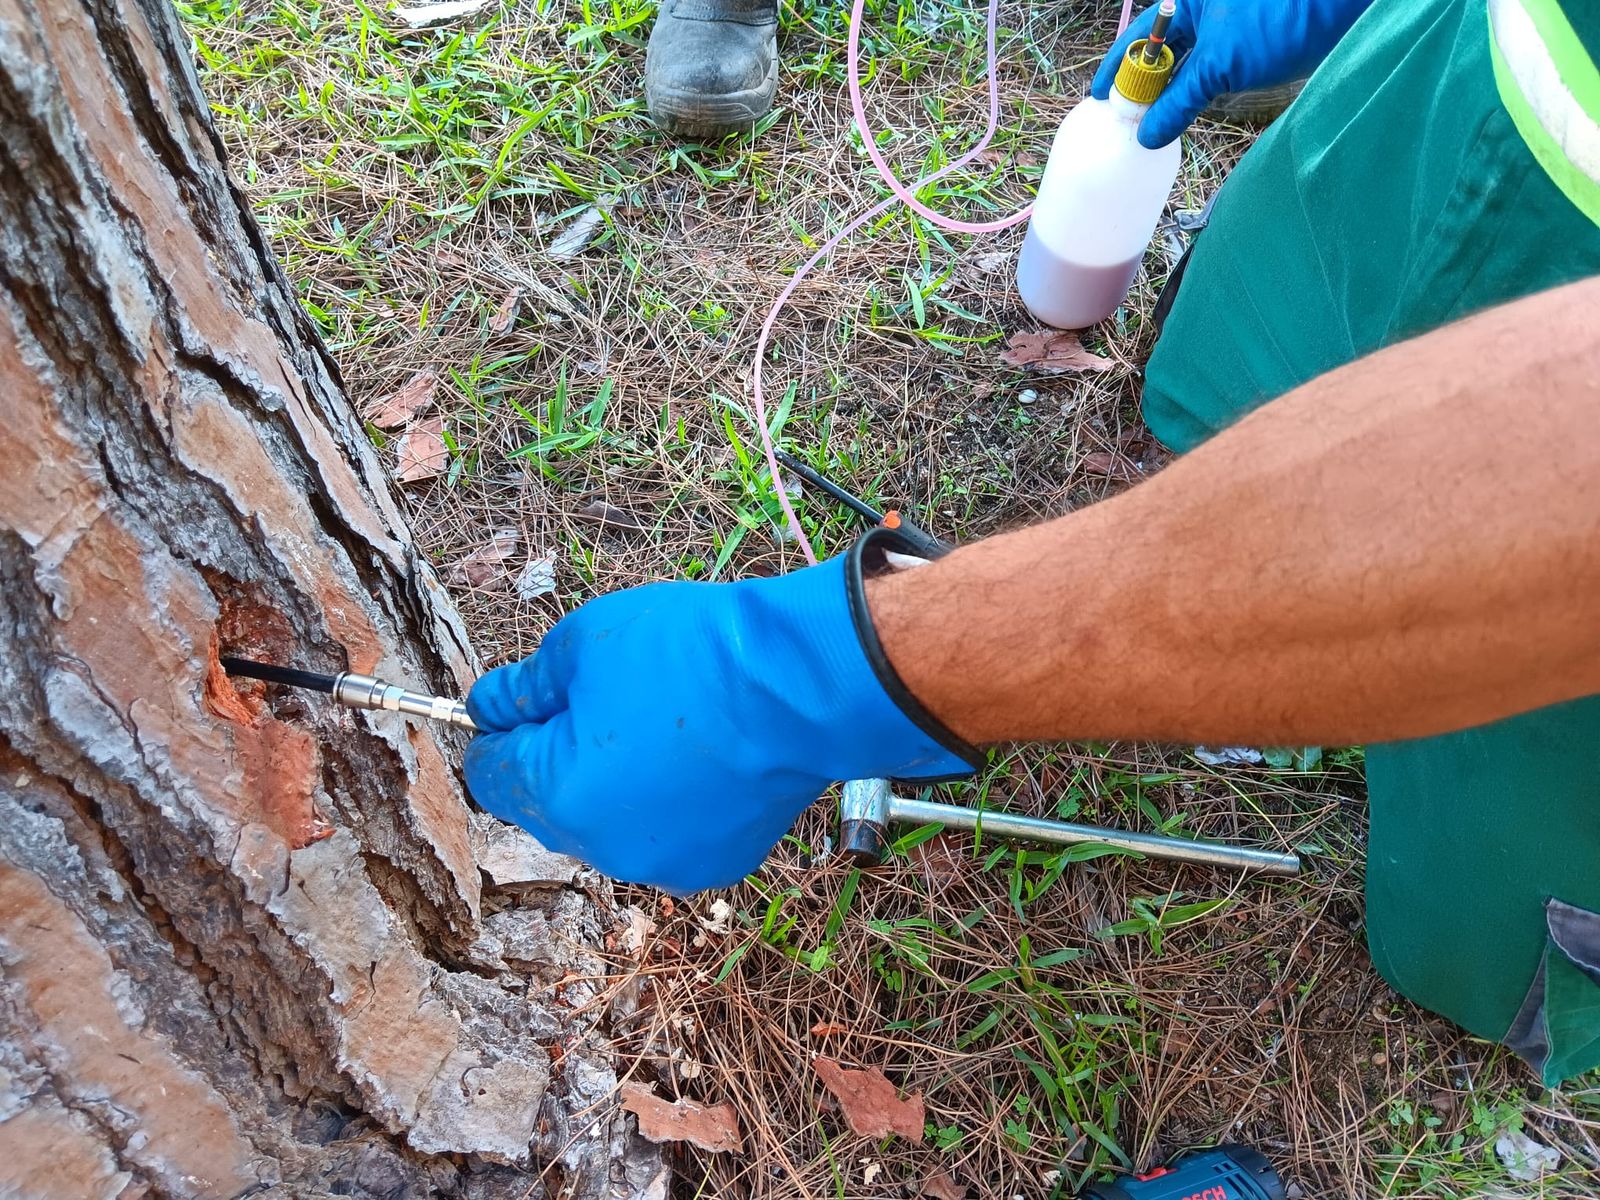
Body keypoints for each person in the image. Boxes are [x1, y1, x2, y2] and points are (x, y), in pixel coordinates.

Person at [471, 0, 1600, 1086]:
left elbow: (1542, 499)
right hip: (1474, 67)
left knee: (1469, 951)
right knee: (1228, 374)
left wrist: (820, 670)